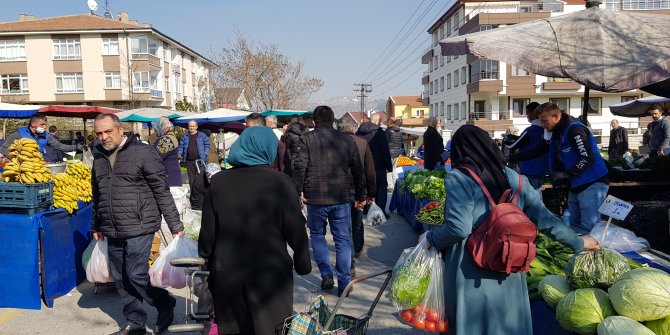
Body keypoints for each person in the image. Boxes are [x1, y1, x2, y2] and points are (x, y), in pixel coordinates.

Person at [425, 125, 600, 335]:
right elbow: (545, 219)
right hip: (509, 262)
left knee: (470, 324)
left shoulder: (458, 178)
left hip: (469, 267)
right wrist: (579, 242)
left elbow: (458, 229)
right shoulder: (516, 179)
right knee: (506, 322)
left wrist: (431, 238)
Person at [199, 126, 311, 335]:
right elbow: (296, 229)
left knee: (235, 329)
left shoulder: (218, 183)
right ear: (268, 149)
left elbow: (208, 232)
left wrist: (206, 260)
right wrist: (303, 262)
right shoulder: (280, 182)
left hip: (228, 274)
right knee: (270, 329)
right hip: (270, 276)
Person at [90, 114, 183, 335]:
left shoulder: (143, 152)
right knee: (121, 278)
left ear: (120, 129)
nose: (104, 137)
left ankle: (164, 303)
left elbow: (161, 190)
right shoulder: (99, 157)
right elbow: (98, 194)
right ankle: (135, 321)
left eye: (108, 132)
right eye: (99, 133)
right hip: (112, 227)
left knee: (135, 274)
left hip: (140, 224)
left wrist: (175, 224)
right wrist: (97, 225)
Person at [293, 105, 366, 297]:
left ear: (314, 122)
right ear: (333, 121)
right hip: (340, 197)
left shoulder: (306, 139)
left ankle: (326, 274)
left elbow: (299, 167)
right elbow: (358, 170)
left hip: (314, 197)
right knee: (342, 239)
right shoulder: (346, 140)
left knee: (317, 235)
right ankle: (344, 281)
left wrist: (296, 193)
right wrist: (361, 196)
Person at [536, 102, 609, 233]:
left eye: (545, 121)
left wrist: (566, 174)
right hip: (575, 185)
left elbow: (587, 157)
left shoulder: (575, 129)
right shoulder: (559, 132)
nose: (543, 125)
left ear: (556, 117)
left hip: (591, 183)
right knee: (574, 228)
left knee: (590, 229)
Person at [337, 117, 376, 272]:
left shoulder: (334, 144)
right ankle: (358, 248)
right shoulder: (362, 143)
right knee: (357, 221)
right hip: (358, 190)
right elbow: (370, 171)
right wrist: (371, 193)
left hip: (339, 191)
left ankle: (349, 258)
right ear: (353, 128)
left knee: (344, 227)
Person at [506, 101, 549, 193]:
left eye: (528, 113)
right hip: (542, 169)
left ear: (533, 113)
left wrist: (506, 139)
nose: (527, 116)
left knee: (532, 198)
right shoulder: (545, 129)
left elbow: (513, 145)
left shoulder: (531, 130)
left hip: (530, 169)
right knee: (537, 195)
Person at [356, 112, 392, 218]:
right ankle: (380, 212)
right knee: (381, 188)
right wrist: (389, 166)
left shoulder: (359, 132)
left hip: (363, 166)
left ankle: (367, 209)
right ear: (377, 121)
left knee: (367, 187)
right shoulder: (379, 133)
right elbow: (385, 150)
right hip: (379, 165)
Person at [1, 113, 82, 160]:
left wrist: (76, 147)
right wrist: (17, 158)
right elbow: (4, 149)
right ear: (33, 124)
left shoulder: (46, 135)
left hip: (40, 166)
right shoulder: (19, 133)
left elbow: (60, 146)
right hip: (23, 168)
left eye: (45, 124)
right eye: (42, 124)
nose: (45, 127)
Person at [178, 120, 210, 189]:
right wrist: (179, 153)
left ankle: (202, 194)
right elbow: (181, 146)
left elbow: (207, 145)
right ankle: (193, 195)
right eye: (190, 126)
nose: (191, 128)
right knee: (191, 180)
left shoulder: (202, 135)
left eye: (193, 126)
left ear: (196, 127)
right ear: (188, 127)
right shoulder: (185, 136)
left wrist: (205, 154)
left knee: (201, 179)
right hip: (189, 161)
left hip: (200, 161)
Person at [152, 117, 181, 187]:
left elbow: (155, 155)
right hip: (169, 176)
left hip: (169, 177)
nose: (155, 131)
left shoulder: (167, 140)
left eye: (156, 128)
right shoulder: (168, 137)